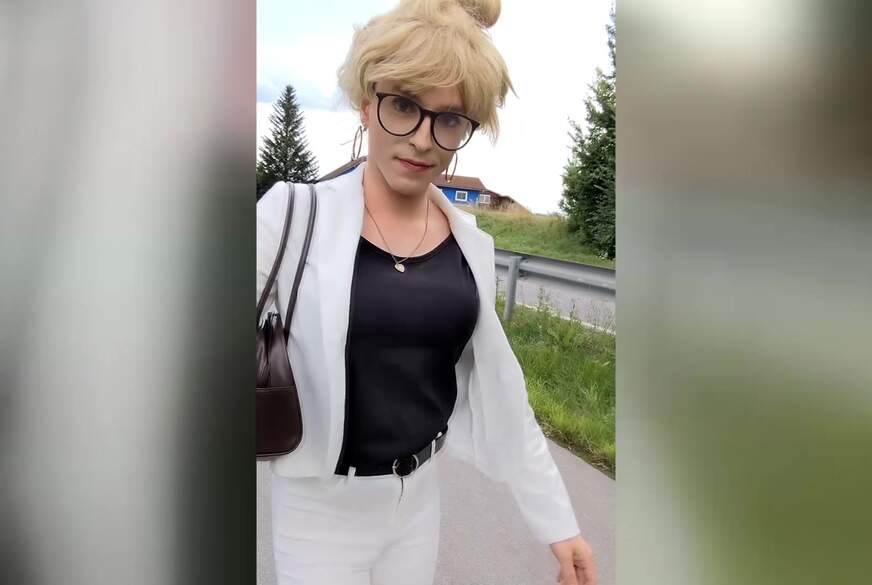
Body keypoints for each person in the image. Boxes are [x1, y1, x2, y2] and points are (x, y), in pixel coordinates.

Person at [256, 0, 598, 583]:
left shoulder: (469, 243)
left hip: (416, 503)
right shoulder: (290, 214)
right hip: (317, 510)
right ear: (367, 104)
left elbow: (504, 394)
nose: (422, 139)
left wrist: (559, 525)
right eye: (403, 106)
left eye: (450, 118)